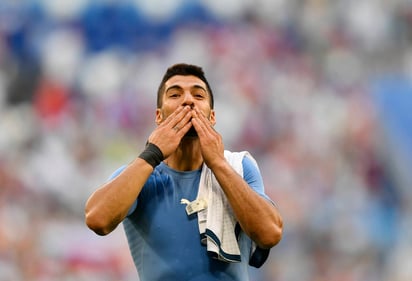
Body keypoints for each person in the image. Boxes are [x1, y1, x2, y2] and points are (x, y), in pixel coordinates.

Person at [85, 63, 283, 281]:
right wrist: (151, 154)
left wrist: (218, 164)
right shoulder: (139, 177)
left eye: (198, 95)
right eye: (175, 94)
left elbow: (270, 234)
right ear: (159, 116)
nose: (188, 100)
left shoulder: (238, 167)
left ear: (212, 116)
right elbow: (97, 219)